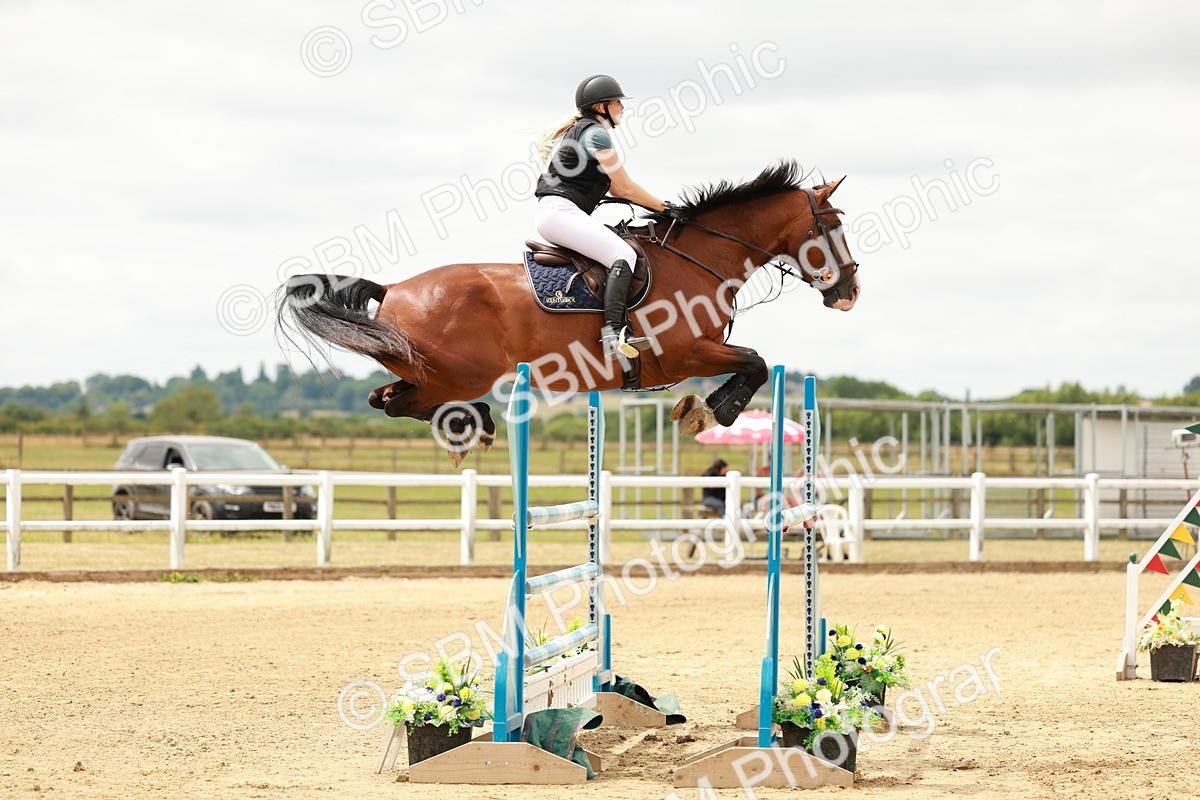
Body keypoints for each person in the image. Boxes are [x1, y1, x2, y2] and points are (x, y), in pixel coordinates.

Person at [533, 74, 682, 361]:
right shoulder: (597, 134)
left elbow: (615, 188)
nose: (622, 108)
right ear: (602, 106)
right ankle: (614, 333)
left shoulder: (584, 131)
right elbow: (625, 187)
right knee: (623, 254)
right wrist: (665, 208)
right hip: (560, 212)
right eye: (617, 102)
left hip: (558, 211)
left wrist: (658, 205)